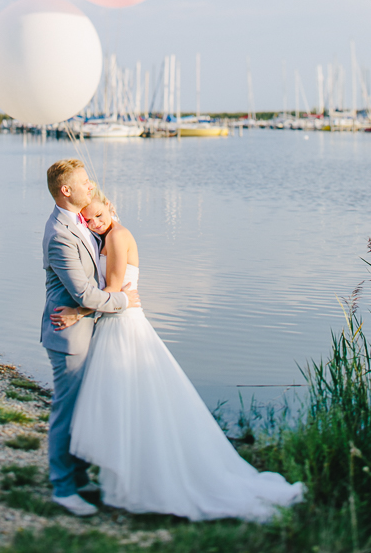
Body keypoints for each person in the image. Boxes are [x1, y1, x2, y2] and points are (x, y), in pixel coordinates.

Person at [52, 189, 305, 522]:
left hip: (122, 324)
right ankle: (125, 478)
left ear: (111, 207)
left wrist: (76, 312)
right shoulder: (109, 236)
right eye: (88, 219)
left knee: (129, 401)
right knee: (129, 402)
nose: (95, 223)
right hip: (116, 321)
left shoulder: (116, 237)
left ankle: (136, 480)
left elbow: (113, 289)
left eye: (99, 215)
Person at [40, 159, 141, 517]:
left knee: (86, 409)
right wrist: (124, 300)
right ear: (66, 190)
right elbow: (84, 294)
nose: (90, 185)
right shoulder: (59, 235)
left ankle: (80, 476)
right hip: (68, 335)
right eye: (83, 181)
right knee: (67, 412)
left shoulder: (86, 223)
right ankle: (64, 488)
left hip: (90, 328)